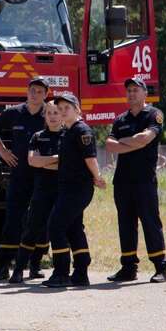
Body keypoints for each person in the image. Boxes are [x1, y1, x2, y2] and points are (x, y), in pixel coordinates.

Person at [104, 78, 166, 283]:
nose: (131, 93)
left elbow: (145, 139)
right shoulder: (120, 119)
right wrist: (133, 143)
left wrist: (124, 143)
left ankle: (161, 267)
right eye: (129, 90)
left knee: (150, 222)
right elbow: (109, 145)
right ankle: (128, 267)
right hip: (122, 181)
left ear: (144, 94)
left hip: (144, 180)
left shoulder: (153, 114)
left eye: (136, 90)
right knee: (126, 224)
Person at [0, 77, 48, 281]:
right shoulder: (14, 112)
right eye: (32, 90)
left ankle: (35, 264)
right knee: (13, 219)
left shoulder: (51, 113)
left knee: (40, 220)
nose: (35, 94)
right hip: (19, 176)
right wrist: (3, 152)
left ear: (45, 94)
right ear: (27, 91)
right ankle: (2, 265)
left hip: (43, 176)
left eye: (40, 91)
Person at [43, 93, 106, 288]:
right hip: (67, 188)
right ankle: (80, 273)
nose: (62, 112)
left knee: (55, 226)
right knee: (74, 228)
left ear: (77, 109)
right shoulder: (67, 132)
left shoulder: (82, 130)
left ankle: (61, 272)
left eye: (66, 108)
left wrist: (97, 177)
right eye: (59, 108)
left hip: (78, 189)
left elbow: (90, 158)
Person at [9, 100, 62, 283]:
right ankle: (18, 270)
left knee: (58, 230)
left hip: (63, 191)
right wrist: (57, 159)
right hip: (42, 190)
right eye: (49, 113)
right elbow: (32, 161)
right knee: (31, 229)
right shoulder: (38, 137)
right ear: (45, 116)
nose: (53, 117)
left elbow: (69, 164)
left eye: (57, 113)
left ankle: (50, 268)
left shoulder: (69, 136)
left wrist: (45, 160)